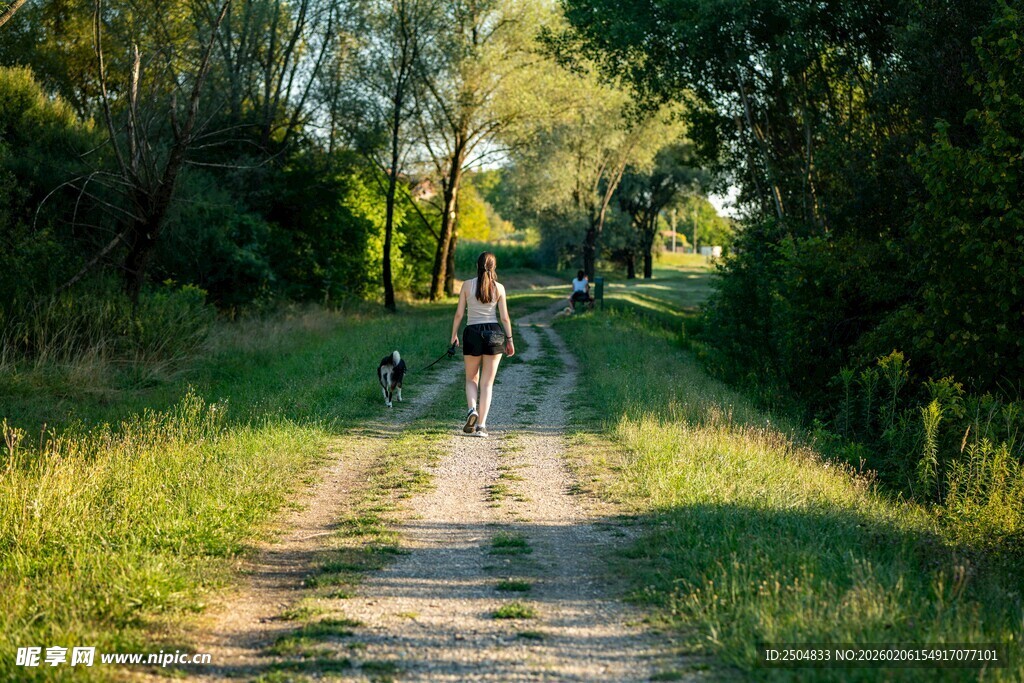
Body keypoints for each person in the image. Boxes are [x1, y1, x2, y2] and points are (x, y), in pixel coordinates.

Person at [450, 252, 515, 437]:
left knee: (471, 379)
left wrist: (454, 334)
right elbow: (504, 317)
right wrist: (509, 340)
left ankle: (472, 410)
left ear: (476, 265)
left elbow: (459, 315)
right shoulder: (499, 288)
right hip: (494, 333)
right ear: (494, 267)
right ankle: (481, 427)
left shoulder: (466, 285)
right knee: (487, 383)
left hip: (472, 333)